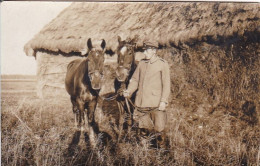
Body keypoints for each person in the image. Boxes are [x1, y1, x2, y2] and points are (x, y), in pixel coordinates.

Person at [123, 39, 170, 147]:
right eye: (144, 51)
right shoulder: (142, 64)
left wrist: (163, 101)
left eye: (146, 51)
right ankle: (145, 153)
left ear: (154, 50)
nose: (144, 53)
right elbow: (135, 80)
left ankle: (162, 153)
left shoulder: (162, 64)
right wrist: (129, 91)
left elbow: (166, 84)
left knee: (159, 130)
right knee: (143, 129)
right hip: (141, 103)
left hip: (156, 104)